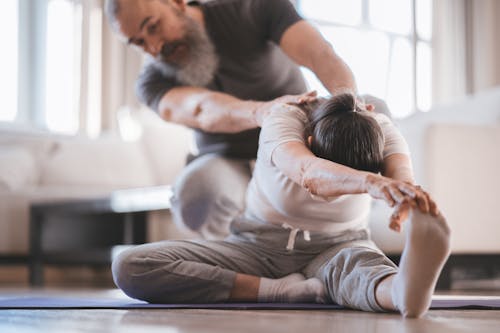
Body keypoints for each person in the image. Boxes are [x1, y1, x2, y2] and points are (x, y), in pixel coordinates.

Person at [112, 93, 451, 318]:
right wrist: (368, 182)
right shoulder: (285, 120)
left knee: (364, 272)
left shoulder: (381, 130)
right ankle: (279, 291)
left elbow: (403, 178)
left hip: (339, 245)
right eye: (339, 184)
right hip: (256, 246)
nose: (336, 196)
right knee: (130, 266)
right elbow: (308, 172)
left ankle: (403, 292)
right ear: (309, 142)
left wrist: (408, 198)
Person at [104, 0, 358, 239]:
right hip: (228, 161)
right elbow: (201, 109)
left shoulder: (252, 8)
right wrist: (264, 112)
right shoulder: (150, 81)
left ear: (177, 3)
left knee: (373, 108)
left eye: (153, 26)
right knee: (196, 193)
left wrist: (346, 105)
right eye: (139, 42)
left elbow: (319, 54)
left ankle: (347, 240)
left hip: (299, 143)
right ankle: (249, 273)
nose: (155, 47)